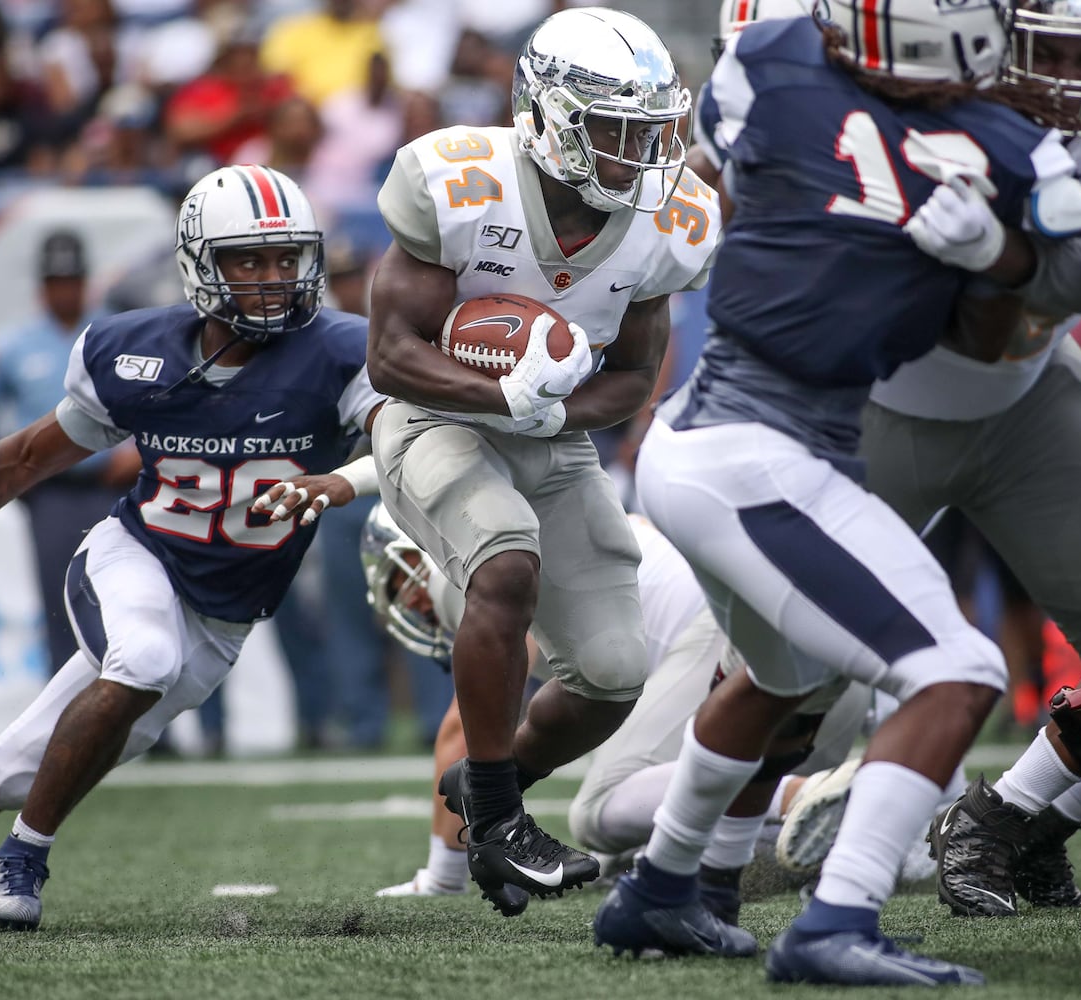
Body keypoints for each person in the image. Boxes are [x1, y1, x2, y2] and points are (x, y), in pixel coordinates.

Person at [594, 5, 1081, 984]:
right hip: (757, 454)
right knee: (956, 670)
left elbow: (724, 174)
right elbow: (991, 338)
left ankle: (659, 890)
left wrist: (985, 255)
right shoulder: (1006, 145)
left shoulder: (775, 66)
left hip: (705, 438)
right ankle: (836, 920)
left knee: (777, 682)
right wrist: (995, 258)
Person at [0, 165, 387, 932]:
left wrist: (342, 481)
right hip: (137, 557)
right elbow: (26, 457)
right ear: (199, 262)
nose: (272, 279)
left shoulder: (339, 350)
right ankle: (23, 858)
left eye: (286, 258)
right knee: (144, 659)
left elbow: (405, 441)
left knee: (9, 772)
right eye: (247, 261)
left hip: (223, 618)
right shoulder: (137, 350)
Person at [842, 0, 1081, 919]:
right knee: (790, 666)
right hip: (883, 388)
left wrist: (997, 252)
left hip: (1026, 388)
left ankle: (1036, 824)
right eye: (1057, 49)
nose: (1080, 77)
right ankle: (688, 867)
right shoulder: (915, 82)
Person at [364, 7, 717, 918]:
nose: (638, 154)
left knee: (612, 671)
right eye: (614, 129)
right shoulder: (459, 180)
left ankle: (493, 791)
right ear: (550, 115)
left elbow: (635, 374)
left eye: (651, 131)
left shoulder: (663, 221)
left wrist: (549, 406)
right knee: (505, 555)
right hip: (432, 417)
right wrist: (501, 396)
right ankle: (498, 816)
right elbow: (391, 353)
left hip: (548, 439)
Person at [364, 503, 873, 920]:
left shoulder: (482, 561)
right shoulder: (570, 512)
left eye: (404, 583)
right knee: (631, 854)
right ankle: (842, 816)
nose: (415, 603)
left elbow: (467, 730)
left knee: (600, 811)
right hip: (815, 661)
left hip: (736, 646)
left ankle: (808, 794)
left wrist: (443, 877)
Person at [0, 230, 137, 677]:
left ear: (85, 281)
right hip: (52, 489)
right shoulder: (15, 343)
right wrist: (8, 472)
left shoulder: (114, 332)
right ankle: (66, 716)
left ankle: (149, 714)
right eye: (57, 281)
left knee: (129, 594)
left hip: (112, 481)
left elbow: (156, 397)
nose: (66, 290)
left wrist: (141, 453)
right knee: (63, 602)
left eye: (73, 279)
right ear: (43, 286)